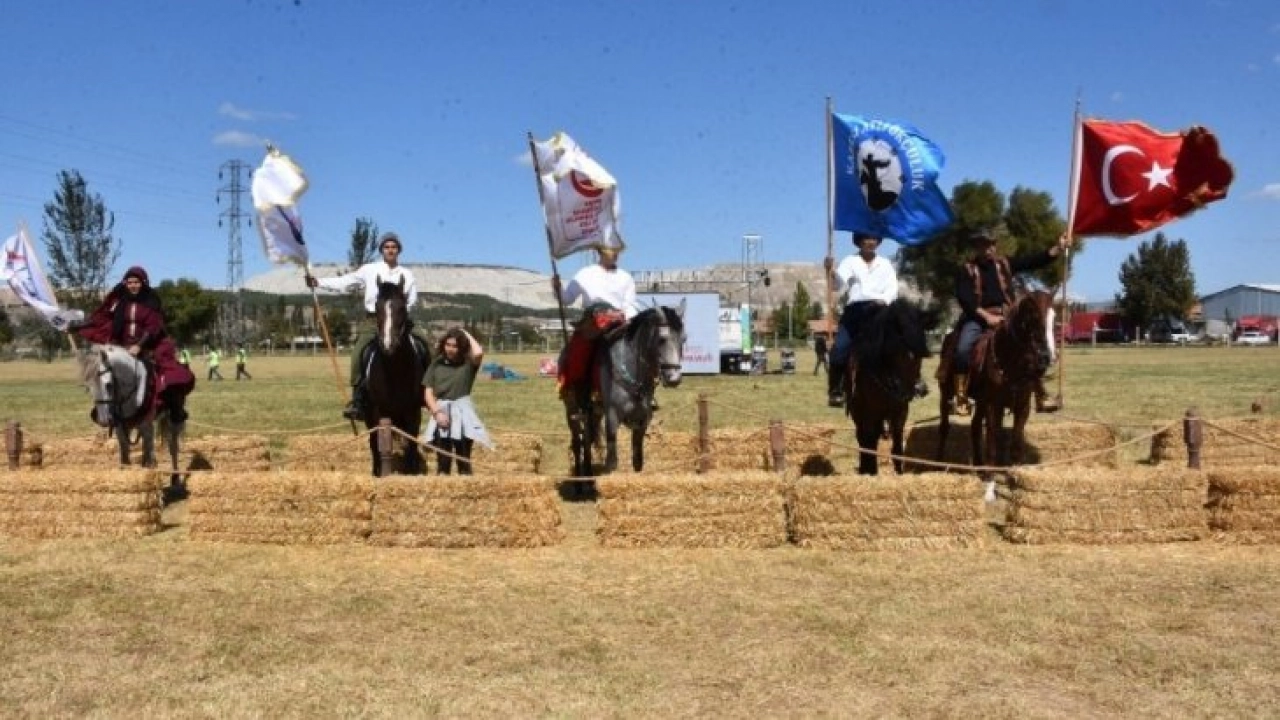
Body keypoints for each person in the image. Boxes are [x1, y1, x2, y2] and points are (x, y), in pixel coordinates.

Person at [943, 229, 1072, 415]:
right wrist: (987, 317)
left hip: (1007, 316)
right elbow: (966, 300)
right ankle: (961, 396)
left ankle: (1041, 394)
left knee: (1032, 348)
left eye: (991, 244)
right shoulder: (966, 270)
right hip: (977, 318)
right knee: (963, 349)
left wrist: (1058, 248)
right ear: (977, 247)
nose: (989, 248)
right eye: (984, 245)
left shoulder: (1004, 264)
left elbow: (1033, 261)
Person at [306, 231, 421, 420]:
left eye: (394, 247)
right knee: (359, 352)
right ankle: (358, 399)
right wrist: (319, 282)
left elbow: (412, 300)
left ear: (399, 250)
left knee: (425, 345)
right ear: (381, 250)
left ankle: (427, 393)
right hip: (374, 321)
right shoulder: (369, 270)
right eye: (386, 247)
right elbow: (346, 282)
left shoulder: (406, 274)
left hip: (400, 321)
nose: (390, 250)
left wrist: (399, 315)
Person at [74, 266, 195, 423]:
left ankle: (174, 408)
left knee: (170, 374)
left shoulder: (152, 301)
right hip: (122, 344)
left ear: (143, 283)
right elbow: (101, 317)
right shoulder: (118, 300)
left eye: (136, 282)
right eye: (129, 282)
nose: (133, 285)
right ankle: (104, 409)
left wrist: (139, 345)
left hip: (149, 344)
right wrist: (77, 326)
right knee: (104, 373)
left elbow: (153, 327)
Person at [551, 245, 637, 403]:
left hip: (618, 322)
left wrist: (628, 318)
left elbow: (630, 305)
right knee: (577, 351)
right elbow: (567, 298)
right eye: (611, 252)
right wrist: (558, 289)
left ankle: (644, 393)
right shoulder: (585, 274)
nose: (615, 255)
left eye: (617, 252)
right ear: (600, 252)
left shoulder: (626, 277)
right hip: (592, 322)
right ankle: (577, 392)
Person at [824, 231, 899, 407]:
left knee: (901, 342)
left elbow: (892, 288)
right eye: (866, 239)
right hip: (855, 311)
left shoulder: (885, 264)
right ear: (859, 241)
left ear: (878, 241)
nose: (870, 242)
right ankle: (836, 389)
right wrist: (830, 271)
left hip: (880, 309)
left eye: (874, 238)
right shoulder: (850, 261)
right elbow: (836, 285)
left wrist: (884, 300)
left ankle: (913, 381)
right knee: (839, 348)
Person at [423, 327, 491, 475]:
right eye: (448, 345)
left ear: (461, 347)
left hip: (463, 413)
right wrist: (437, 413)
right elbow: (428, 393)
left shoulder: (468, 364)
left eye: (455, 346)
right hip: (441, 412)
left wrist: (464, 332)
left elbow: (478, 352)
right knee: (443, 461)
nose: (450, 349)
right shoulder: (436, 364)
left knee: (463, 459)